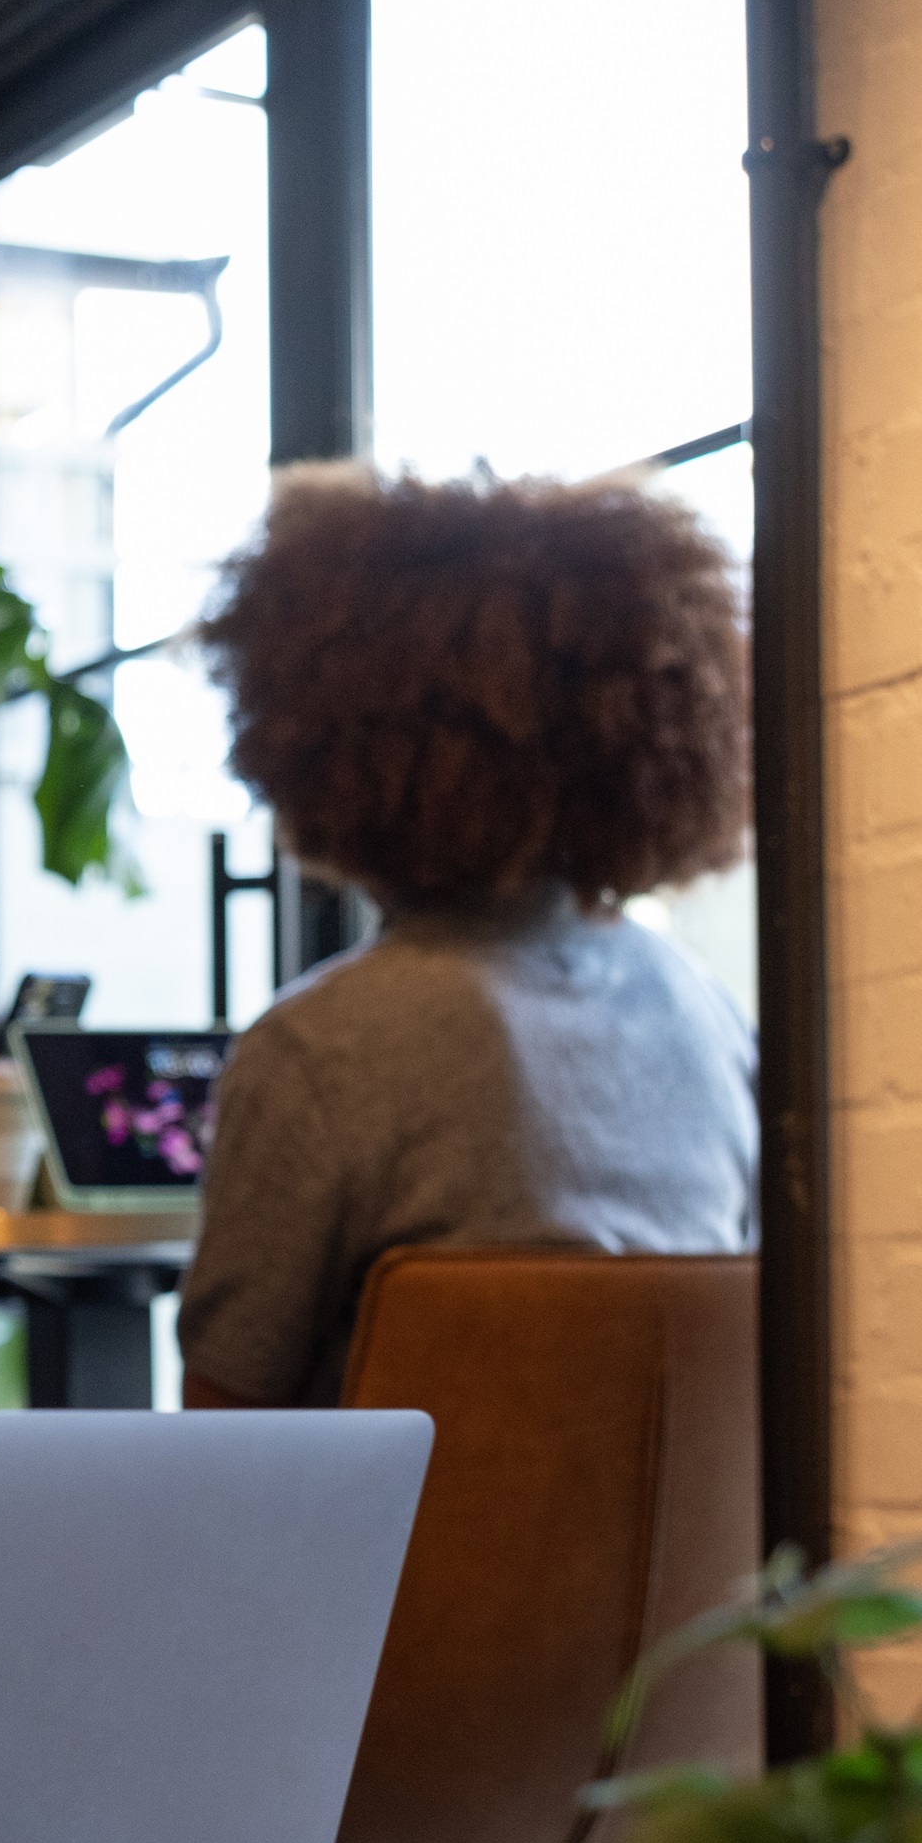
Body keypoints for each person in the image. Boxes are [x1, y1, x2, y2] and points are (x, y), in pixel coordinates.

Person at [177, 465, 758, 1409]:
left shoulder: (323, 1052)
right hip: (703, 1562)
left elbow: (224, 1435)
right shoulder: (708, 1021)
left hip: (406, 1560)